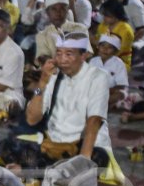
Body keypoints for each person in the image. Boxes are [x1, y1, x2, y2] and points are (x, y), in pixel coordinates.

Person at [19, 30, 113, 167]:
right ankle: (50, 170)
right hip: (52, 144)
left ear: (83, 55)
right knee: (8, 146)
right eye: (58, 53)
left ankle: (42, 170)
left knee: (97, 159)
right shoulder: (53, 76)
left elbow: (94, 120)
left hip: (82, 145)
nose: (62, 59)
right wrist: (42, 84)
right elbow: (32, 119)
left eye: (69, 54)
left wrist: (83, 160)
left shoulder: (98, 77)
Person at [32, 0, 86, 67]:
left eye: (62, 9)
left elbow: (85, 55)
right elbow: (43, 58)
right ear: (48, 13)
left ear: (67, 11)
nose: (58, 13)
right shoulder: (42, 35)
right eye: (54, 9)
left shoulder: (80, 29)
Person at [90, 33, 129, 108]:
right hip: (94, 90)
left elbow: (121, 86)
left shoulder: (119, 64)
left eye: (110, 47)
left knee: (120, 94)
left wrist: (105, 90)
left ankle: (99, 105)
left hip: (111, 91)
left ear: (115, 51)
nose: (105, 49)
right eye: (103, 46)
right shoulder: (93, 61)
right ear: (98, 47)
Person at [95, 0, 135, 68]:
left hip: (121, 63)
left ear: (116, 16)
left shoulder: (126, 30)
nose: (104, 18)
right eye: (104, 15)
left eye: (107, 16)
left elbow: (118, 51)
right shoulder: (102, 26)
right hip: (102, 58)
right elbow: (98, 43)